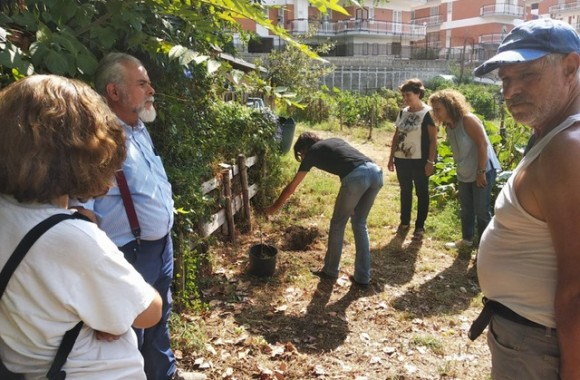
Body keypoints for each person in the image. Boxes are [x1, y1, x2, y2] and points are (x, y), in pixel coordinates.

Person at [0, 74, 163, 379]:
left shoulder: (7, 211)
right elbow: (148, 311)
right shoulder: (72, 238)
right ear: (81, 151)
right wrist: (102, 317)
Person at [73, 53, 199, 380]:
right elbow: (82, 211)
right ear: (114, 92)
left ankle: (164, 374)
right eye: (141, 83)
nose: (151, 89)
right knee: (129, 333)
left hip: (160, 248)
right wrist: (97, 279)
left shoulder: (140, 129)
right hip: (127, 253)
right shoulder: (97, 140)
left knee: (159, 318)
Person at [471, 19, 580, 379]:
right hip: (527, 340)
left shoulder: (569, 149)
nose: (511, 91)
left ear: (571, 67)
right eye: (505, 79)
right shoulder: (552, 133)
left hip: (539, 347)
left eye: (527, 75)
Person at [265, 132, 383, 287]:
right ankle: (362, 277)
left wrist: (272, 208)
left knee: (338, 224)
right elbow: (348, 164)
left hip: (357, 177)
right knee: (360, 224)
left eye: (301, 154)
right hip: (376, 173)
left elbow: (291, 187)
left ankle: (330, 270)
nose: (302, 157)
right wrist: (353, 201)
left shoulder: (312, 152)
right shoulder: (335, 141)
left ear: (305, 148)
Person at [428, 89, 500, 250]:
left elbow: (483, 145)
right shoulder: (449, 127)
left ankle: (486, 247)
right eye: (434, 110)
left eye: (438, 109)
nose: (436, 113)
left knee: (482, 210)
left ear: (450, 106)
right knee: (466, 208)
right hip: (465, 172)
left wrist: (481, 172)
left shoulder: (468, 120)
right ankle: (467, 240)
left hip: (483, 170)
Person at [387, 78, 438, 240]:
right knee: (405, 191)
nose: (405, 98)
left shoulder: (428, 113)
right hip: (402, 159)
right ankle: (404, 222)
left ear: (418, 93)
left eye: (408, 94)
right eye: (403, 95)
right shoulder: (403, 112)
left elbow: (433, 140)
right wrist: (391, 158)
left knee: (422, 192)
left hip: (420, 160)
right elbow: (397, 136)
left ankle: (419, 226)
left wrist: (431, 162)